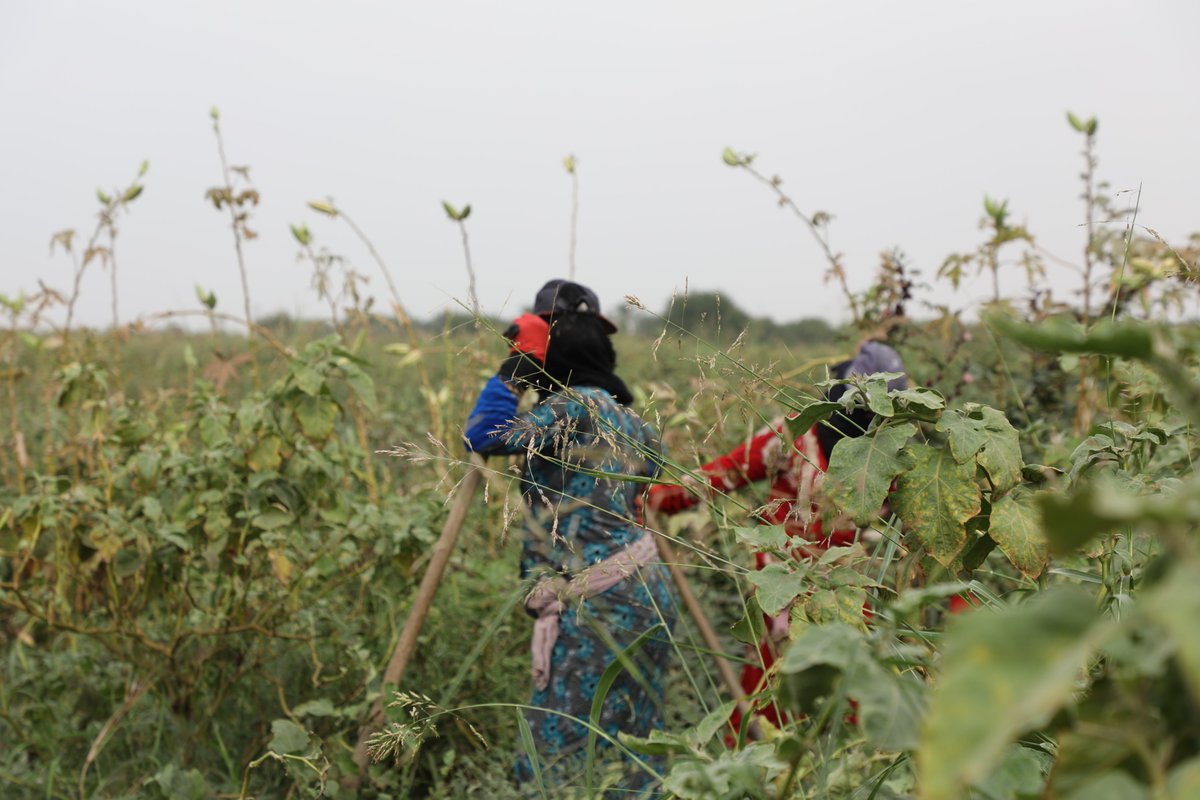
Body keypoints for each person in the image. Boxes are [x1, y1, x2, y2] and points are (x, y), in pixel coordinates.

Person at [464, 280, 677, 795]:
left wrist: (511, 374)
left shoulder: (571, 407)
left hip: (595, 601)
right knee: (632, 747)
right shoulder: (633, 420)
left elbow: (484, 435)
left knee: (556, 754)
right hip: (647, 585)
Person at [646, 341, 907, 732]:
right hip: (780, 598)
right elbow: (721, 475)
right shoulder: (795, 434)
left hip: (848, 599)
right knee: (769, 708)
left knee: (852, 714)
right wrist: (652, 499)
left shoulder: (888, 452)